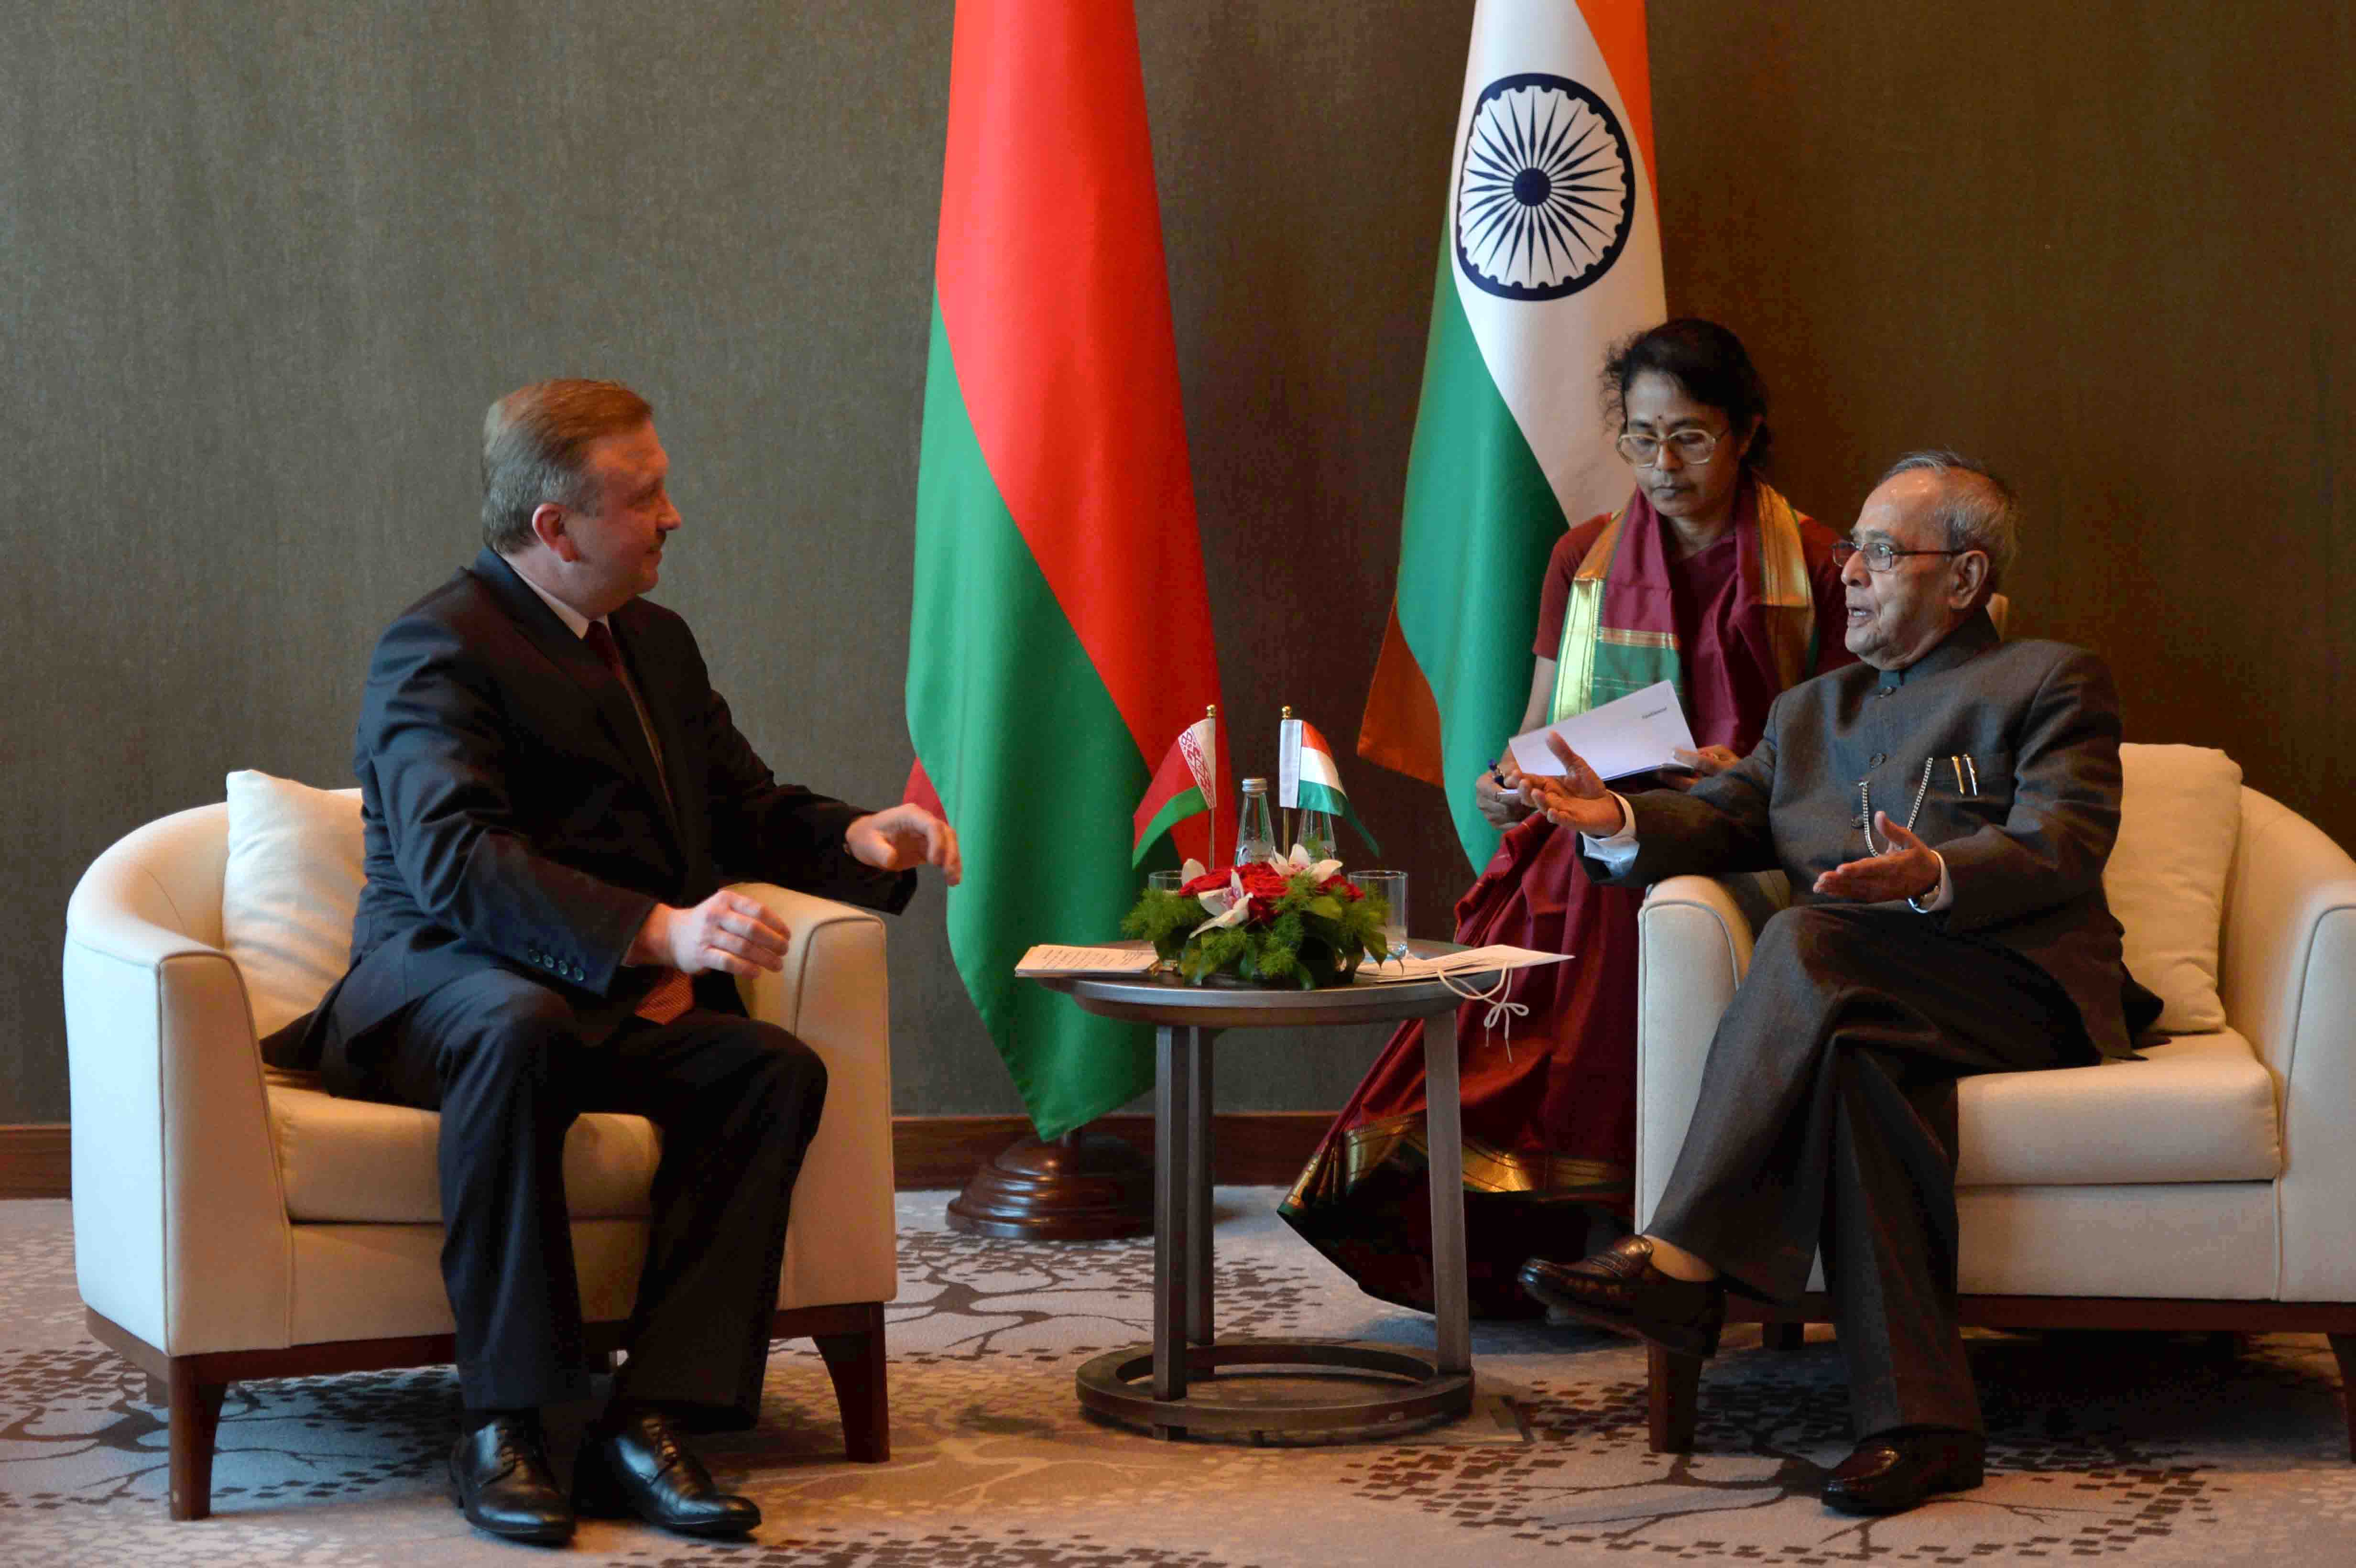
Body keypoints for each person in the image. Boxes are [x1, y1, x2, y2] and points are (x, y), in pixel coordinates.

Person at [272, 379, 960, 1546]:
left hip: (594, 997)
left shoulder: (655, 642)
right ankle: (509, 1423)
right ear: (556, 527)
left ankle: (654, 1419)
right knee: (518, 1025)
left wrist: (854, 836)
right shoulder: (435, 646)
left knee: (768, 1070)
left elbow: (739, 804)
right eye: (645, 497)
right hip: (440, 986)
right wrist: (660, 931)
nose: (674, 517)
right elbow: (455, 861)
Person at [1518, 452, 2148, 1516]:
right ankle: (1921, 1426)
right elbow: (1719, 816)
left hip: (2017, 988)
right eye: (1851, 547)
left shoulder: (2050, 676)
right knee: (1855, 1065)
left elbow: (2065, 840)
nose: (1848, 570)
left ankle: (1680, 1258)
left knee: (1813, 939)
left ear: (1963, 577)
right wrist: (1619, 822)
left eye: (1882, 551)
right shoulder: (1809, 710)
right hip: (1868, 997)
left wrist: (1938, 871)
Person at [1282, 321, 1854, 1316]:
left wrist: (1746, 767)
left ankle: (1612, 1220)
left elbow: (1851, 748)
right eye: (1641, 438)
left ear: (1747, 432)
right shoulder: (1583, 557)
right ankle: (1498, 1222)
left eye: (1691, 438)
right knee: (1564, 865)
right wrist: (1506, 782)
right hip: (1595, 813)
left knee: (1592, 881)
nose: (1663, 466)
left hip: (1742, 823)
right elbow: (1536, 730)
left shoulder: (1813, 563)